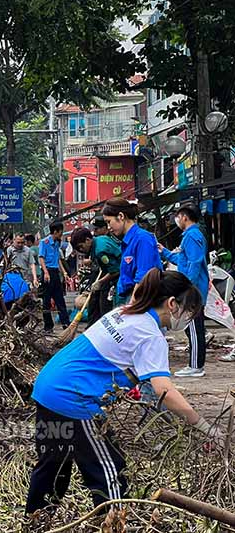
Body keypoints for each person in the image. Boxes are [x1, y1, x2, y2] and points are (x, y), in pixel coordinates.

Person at [26, 269, 217, 514]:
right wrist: (203, 426)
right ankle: (115, 521)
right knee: (110, 472)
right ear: (172, 304)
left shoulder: (123, 313)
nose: (189, 318)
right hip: (74, 399)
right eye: (190, 311)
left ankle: (35, 521)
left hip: (47, 387)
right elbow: (164, 390)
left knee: (52, 466)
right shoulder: (150, 335)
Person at [159, 204, 210, 378]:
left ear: (184, 217)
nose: (177, 220)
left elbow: (195, 263)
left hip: (193, 289)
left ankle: (196, 366)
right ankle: (195, 364)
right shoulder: (189, 236)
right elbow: (183, 261)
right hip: (192, 287)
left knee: (195, 329)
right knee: (191, 328)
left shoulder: (193, 236)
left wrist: (188, 287)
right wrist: (164, 252)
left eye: (178, 216)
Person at [102, 197, 162, 306]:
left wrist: (132, 304)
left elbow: (144, 276)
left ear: (121, 216)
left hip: (142, 299)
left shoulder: (142, 239)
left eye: (109, 222)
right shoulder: (127, 241)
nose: (108, 227)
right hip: (130, 296)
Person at [70, 227, 121, 326]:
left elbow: (116, 270)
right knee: (94, 303)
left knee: (105, 307)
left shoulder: (100, 251)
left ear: (88, 240)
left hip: (120, 277)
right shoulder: (99, 240)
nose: (81, 250)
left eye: (81, 246)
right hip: (110, 274)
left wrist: (100, 282)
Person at [39, 221, 71, 332]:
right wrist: (46, 272)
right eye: (61, 232)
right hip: (47, 273)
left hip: (55, 273)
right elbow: (41, 258)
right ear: (56, 231)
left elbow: (58, 259)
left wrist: (64, 273)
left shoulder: (57, 243)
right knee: (46, 301)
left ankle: (66, 324)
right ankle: (48, 326)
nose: (61, 234)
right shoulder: (44, 242)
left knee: (60, 299)